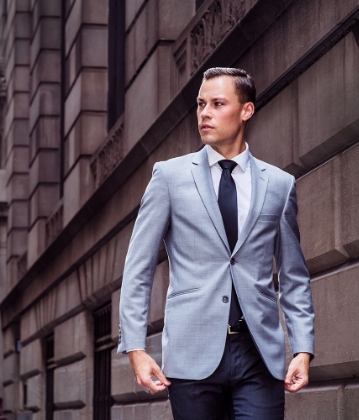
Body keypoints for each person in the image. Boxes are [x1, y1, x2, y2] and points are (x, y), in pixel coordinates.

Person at [118, 67, 315, 419]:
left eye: (217, 103)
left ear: (246, 111)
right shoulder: (170, 177)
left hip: (259, 354)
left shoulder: (280, 185)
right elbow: (138, 267)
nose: (204, 113)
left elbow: (294, 275)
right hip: (192, 353)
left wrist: (302, 348)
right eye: (200, 104)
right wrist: (135, 347)